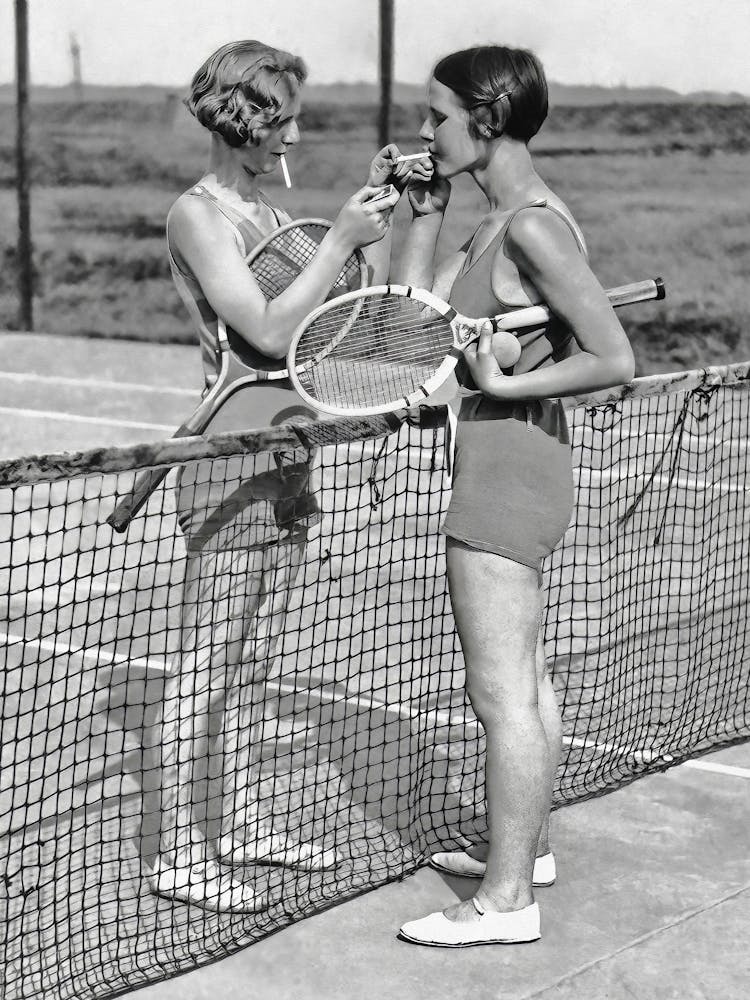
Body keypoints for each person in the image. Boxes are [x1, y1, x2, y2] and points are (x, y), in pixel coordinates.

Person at [382, 45, 635, 946]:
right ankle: (525, 852)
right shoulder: (499, 218)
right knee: (525, 681)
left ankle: (504, 903)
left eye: (437, 116)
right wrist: (424, 210)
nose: (422, 130)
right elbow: (406, 321)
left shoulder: (532, 225)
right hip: (515, 455)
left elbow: (613, 360)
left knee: (501, 698)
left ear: (485, 120)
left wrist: (497, 379)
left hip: (509, 463)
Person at [141, 39, 399, 914]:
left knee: (253, 662)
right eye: (284, 118)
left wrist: (375, 224)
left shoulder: (266, 210)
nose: (295, 132)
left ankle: (245, 821)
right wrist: (340, 238)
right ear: (247, 121)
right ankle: (178, 850)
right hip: (228, 460)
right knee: (206, 664)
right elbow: (259, 330)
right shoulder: (198, 214)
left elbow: (345, 323)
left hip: (291, 451)